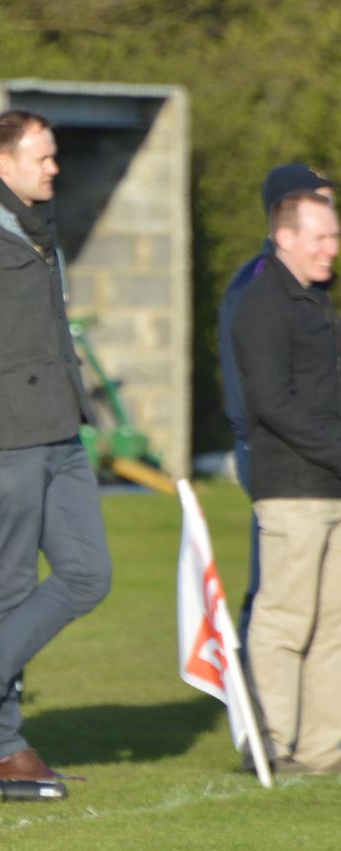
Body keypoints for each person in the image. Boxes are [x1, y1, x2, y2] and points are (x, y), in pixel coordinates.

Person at [0, 109, 111, 781]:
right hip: (5, 438)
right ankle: (1, 742)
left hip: (61, 428)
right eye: (43, 157)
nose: (55, 167)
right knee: (6, 586)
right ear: (3, 164)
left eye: (54, 155)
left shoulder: (35, 227)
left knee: (88, 573)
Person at [232, 189, 341, 774]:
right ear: (286, 237)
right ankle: (271, 745)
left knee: (333, 624)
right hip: (293, 489)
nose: (332, 249)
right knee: (283, 623)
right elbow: (273, 404)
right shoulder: (263, 303)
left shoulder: (315, 300)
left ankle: (323, 752)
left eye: (335, 237)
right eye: (321, 237)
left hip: (331, 486)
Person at [217, 164, 334, 651]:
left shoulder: (313, 289)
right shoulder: (259, 287)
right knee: (277, 596)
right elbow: (262, 394)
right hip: (280, 455)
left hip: (318, 457)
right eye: (320, 205)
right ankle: (257, 712)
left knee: (322, 608)